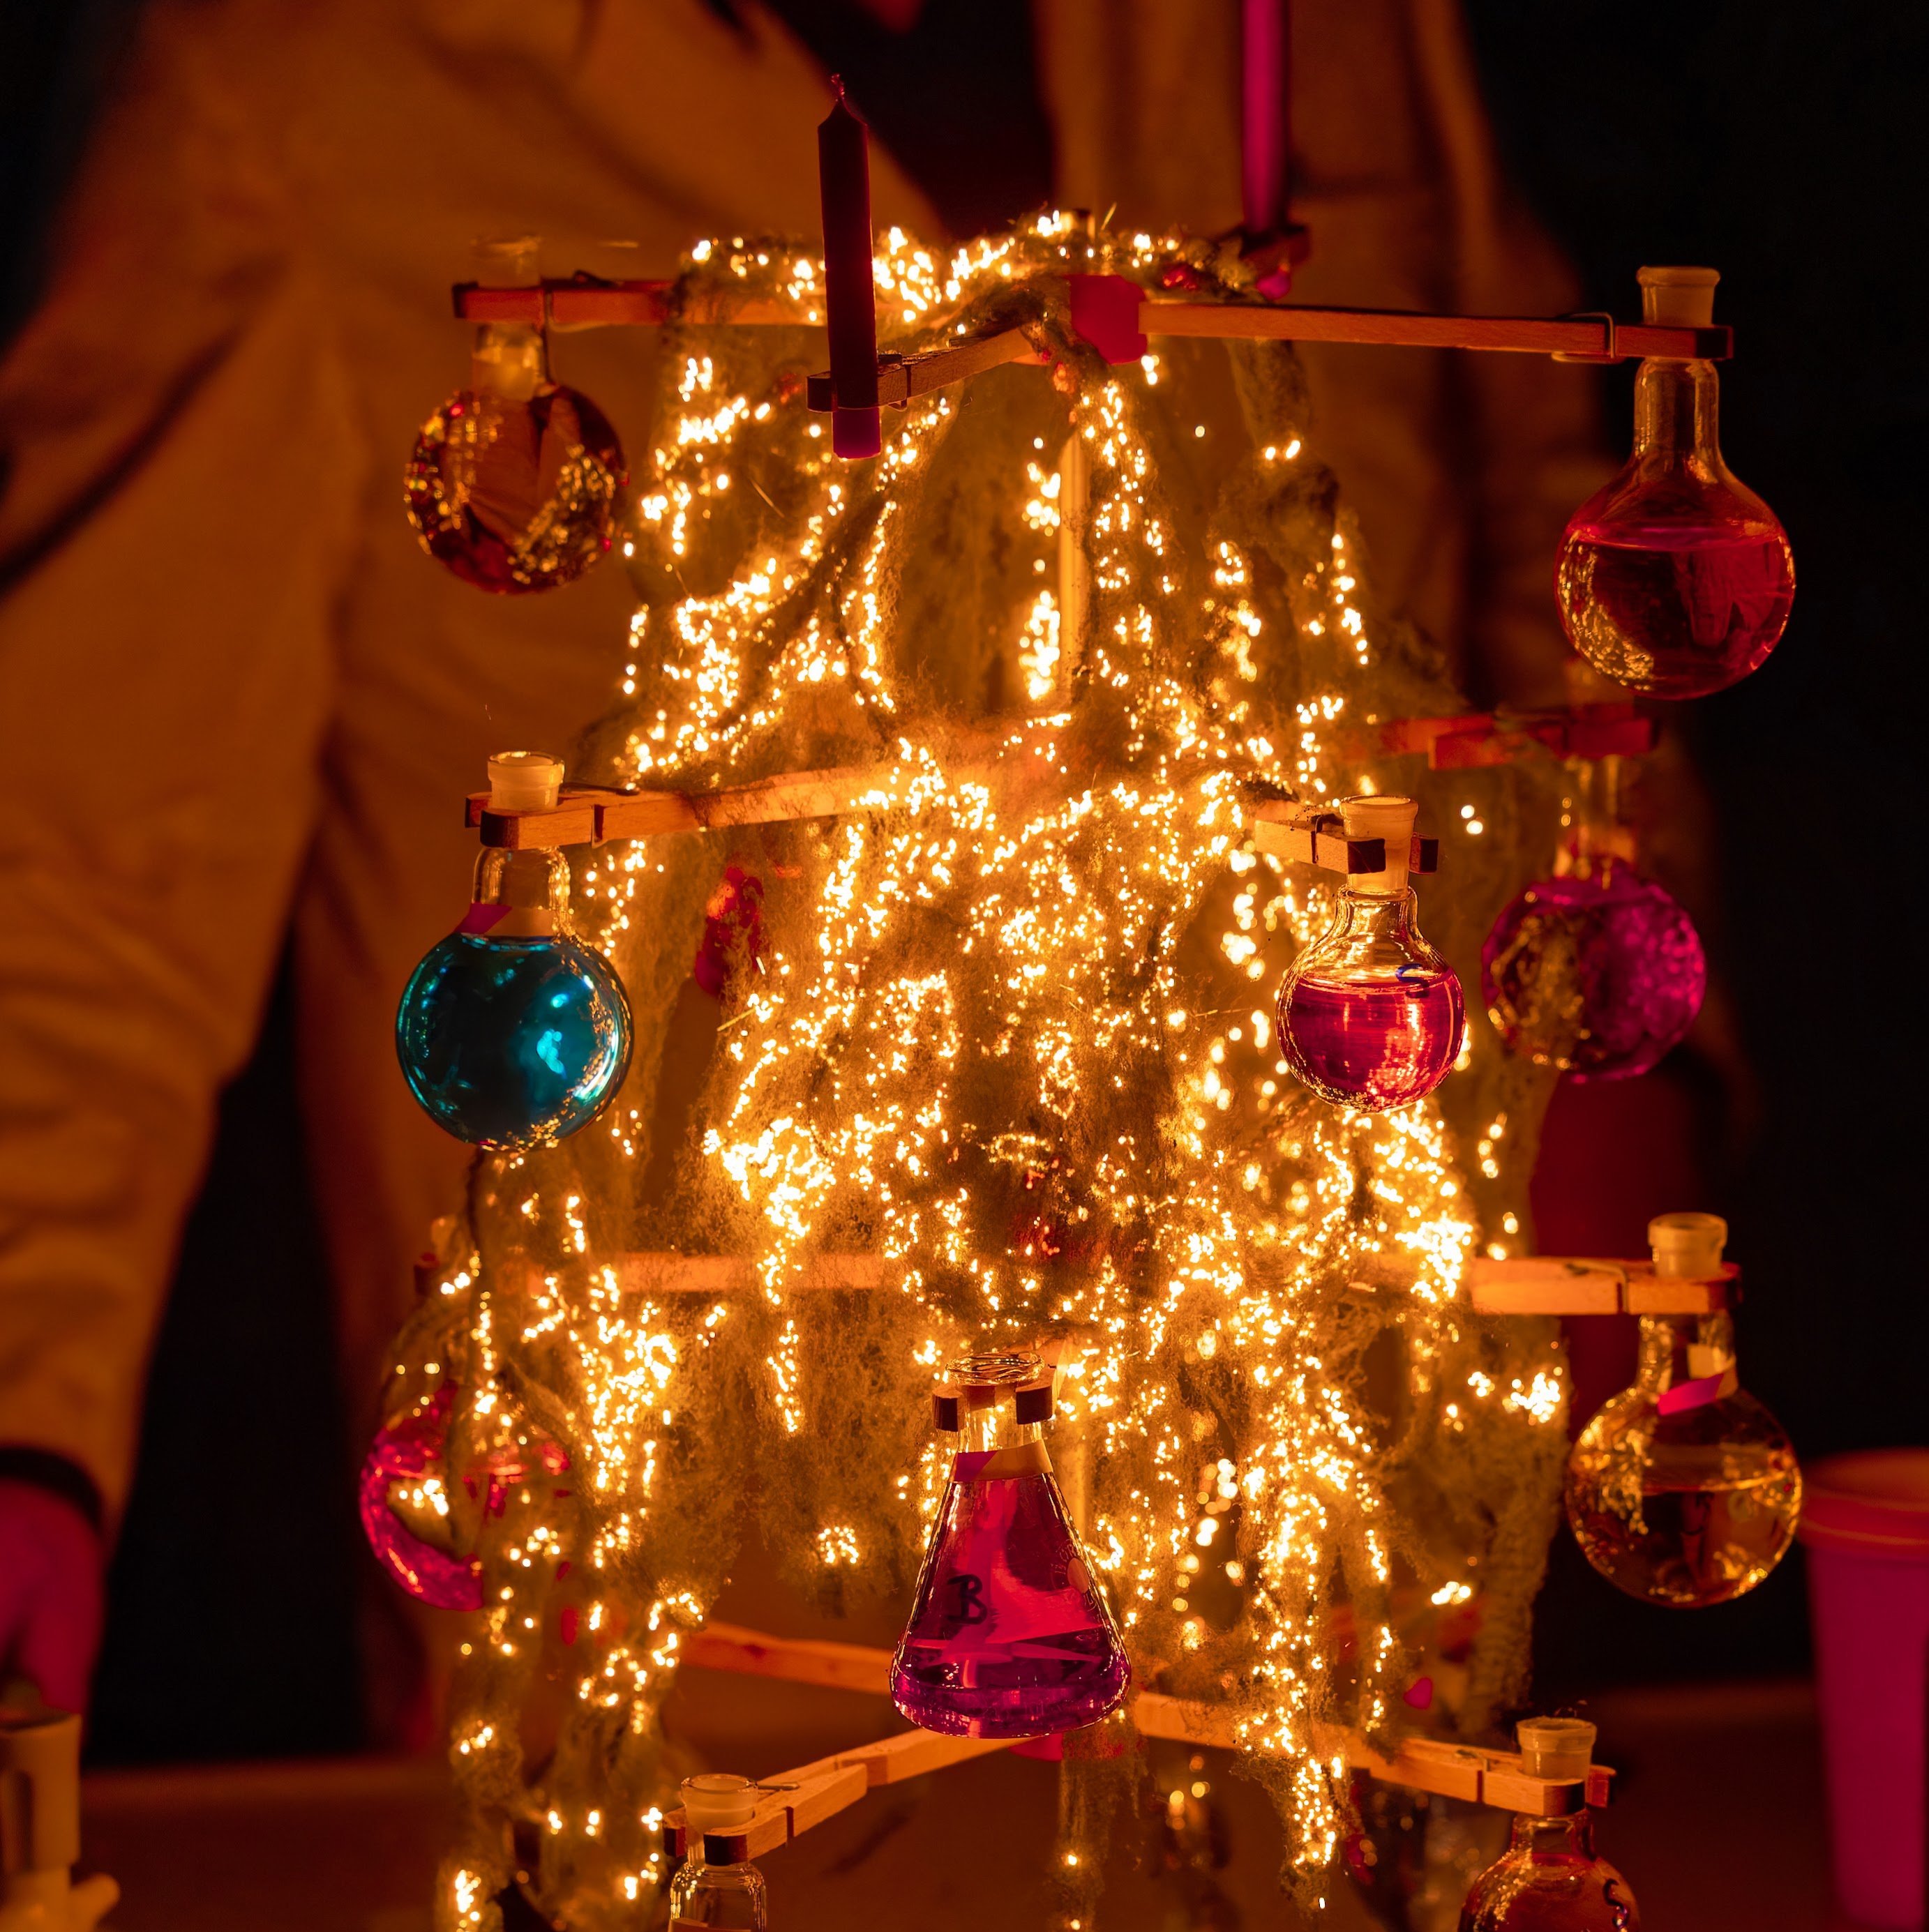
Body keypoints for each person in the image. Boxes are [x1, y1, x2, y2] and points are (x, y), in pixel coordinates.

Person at [0, 0, 1599, 1721]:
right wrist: (24, 1446)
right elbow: (82, 900)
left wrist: (1602, 1063)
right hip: (701, 1683)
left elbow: (1526, 503)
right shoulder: (315, 88)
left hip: (1340, 1632)